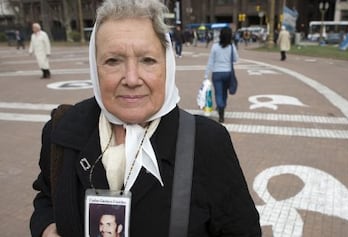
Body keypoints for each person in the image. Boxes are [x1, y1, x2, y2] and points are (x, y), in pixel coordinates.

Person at [30, 0, 261, 237]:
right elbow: (47, 197)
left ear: (167, 66)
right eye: (113, 61)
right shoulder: (62, 131)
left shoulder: (207, 143)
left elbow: (242, 230)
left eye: (147, 60)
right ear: (94, 66)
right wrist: (46, 228)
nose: (131, 78)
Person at [204, 27, 239, 123]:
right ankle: (222, 106)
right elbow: (236, 59)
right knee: (224, 93)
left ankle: (221, 113)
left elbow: (210, 61)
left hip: (217, 73)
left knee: (218, 93)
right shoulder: (232, 47)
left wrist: (206, 74)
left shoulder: (215, 47)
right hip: (228, 73)